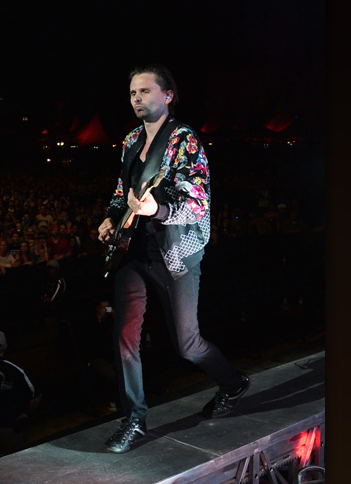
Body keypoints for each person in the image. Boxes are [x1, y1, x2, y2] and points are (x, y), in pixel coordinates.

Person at [97, 64, 249, 453]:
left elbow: (198, 197)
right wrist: (112, 217)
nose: (137, 99)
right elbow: (122, 190)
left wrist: (158, 209)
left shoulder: (184, 140)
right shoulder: (131, 139)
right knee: (125, 337)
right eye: (133, 93)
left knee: (187, 344)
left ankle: (233, 383)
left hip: (174, 252)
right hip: (133, 251)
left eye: (145, 91)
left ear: (168, 95)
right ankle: (134, 419)